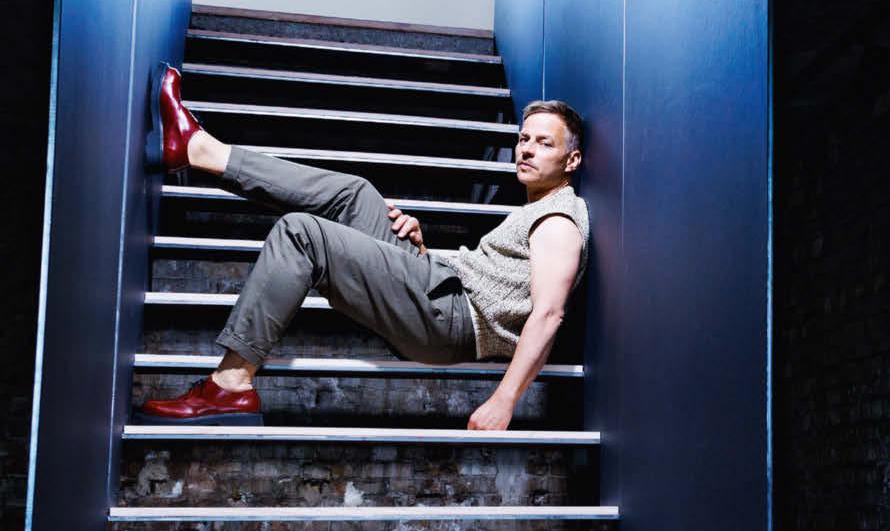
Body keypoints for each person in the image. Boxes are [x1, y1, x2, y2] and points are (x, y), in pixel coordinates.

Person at [139, 66, 589, 432]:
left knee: (302, 233)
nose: (526, 150)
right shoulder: (536, 208)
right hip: (441, 289)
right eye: (524, 139)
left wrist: (504, 400)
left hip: (453, 320)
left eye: (544, 143)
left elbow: (549, 314)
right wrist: (423, 255)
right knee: (356, 194)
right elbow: (493, 278)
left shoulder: (558, 221)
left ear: (571, 160)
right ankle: (199, 150)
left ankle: (230, 384)